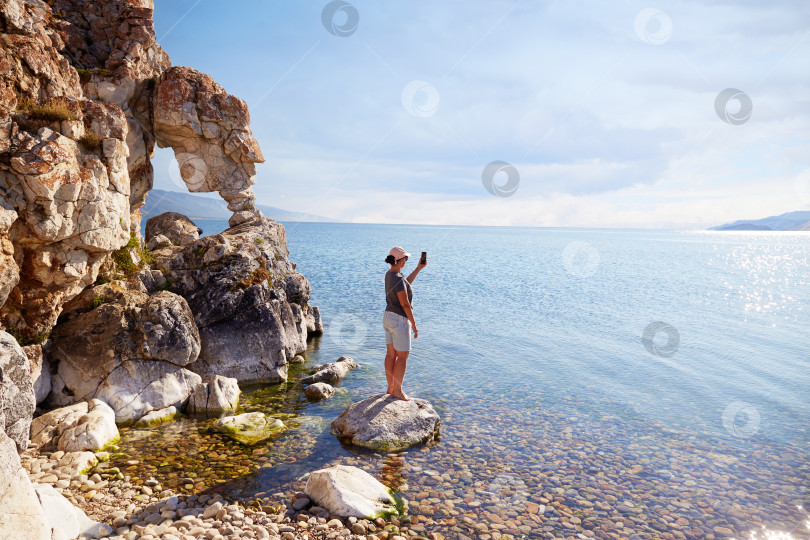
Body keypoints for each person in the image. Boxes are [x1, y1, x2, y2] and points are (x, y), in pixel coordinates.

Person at [382, 246, 425, 401]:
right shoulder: (398, 278)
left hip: (387, 317)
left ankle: (391, 387)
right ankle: (398, 391)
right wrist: (413, 324)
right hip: (399, 320)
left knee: (391, 354)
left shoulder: (390, 275)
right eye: (405, 259)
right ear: (399, 260)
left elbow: (406, 284)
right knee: (403, 357)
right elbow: (405, 304)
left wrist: (418, 268)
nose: (406, 261)